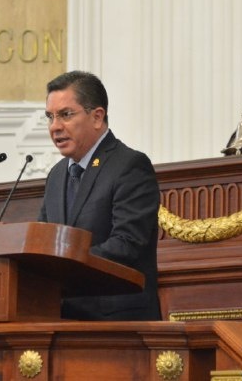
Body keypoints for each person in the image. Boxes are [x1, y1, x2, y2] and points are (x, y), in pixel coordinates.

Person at [38, 71, 161, 321]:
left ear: (97, 117)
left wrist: (66, 266)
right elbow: (44, 241)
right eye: (50, 117)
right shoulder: (56, 175)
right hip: (61, 320)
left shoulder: (129, 165)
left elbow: (127, 244)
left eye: (65, 115)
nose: (55, 127)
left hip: (117, 323)